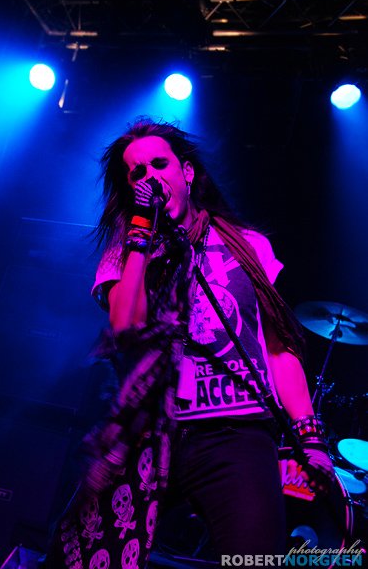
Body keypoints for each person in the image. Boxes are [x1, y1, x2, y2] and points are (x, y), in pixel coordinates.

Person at [45, 117, 335, 568]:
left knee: (255, 560)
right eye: (137, 173)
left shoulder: (248, 246)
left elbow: (279, 349)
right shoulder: (126, 252)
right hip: (147, 433)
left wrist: (309, 438)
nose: (149, 177)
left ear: (186, 171)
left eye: (159, 164)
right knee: (76, 555)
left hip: (234, 432)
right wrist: (139, 238)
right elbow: (126, 326)